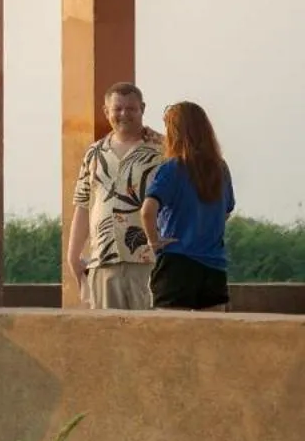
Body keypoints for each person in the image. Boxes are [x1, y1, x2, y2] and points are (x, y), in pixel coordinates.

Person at [65, 83, 163, 310]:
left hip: (149, 261)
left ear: (143, 109)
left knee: (150, 336)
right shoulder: (94, 153)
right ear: (106, 111)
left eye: (131, 109)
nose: (124, 114)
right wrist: (73, 256)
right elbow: (83, 205)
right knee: (107, 338)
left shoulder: (162, 151)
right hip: (103, 260)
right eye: (117, 109)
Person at [142, 101, 235, 312]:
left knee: (170, 337)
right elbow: (226, 211)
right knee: (211, 338)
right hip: (214, 265)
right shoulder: (220, 168)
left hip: (177, 262)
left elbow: (147, 210)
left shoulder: (172, 168)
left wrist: (153, 241)